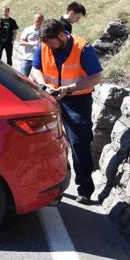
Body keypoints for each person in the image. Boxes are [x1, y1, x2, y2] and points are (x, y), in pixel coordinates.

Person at [30, 19, 103, 205]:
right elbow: (36, 68)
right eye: (46, 44)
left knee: (79, 142)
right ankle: (48, 187)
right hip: (50, 96)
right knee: (45, 142)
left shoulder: (83, 48)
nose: (49, 47)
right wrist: (42, 84)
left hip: (76, 99)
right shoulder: (44, 45)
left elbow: (95, 77)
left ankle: (85, 189)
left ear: (62, 35)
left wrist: (69, 89)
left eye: (52, 43)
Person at [18, 12, 43, 77]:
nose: (39, 22)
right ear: (33, 20)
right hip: (28, 58)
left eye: (41, 20)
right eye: (37, 20)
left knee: (38, 78)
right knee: (23, 77)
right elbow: (20, 42)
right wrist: (31, 43)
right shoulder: (28, 29)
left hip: (40, 58)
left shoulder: (44, 30)